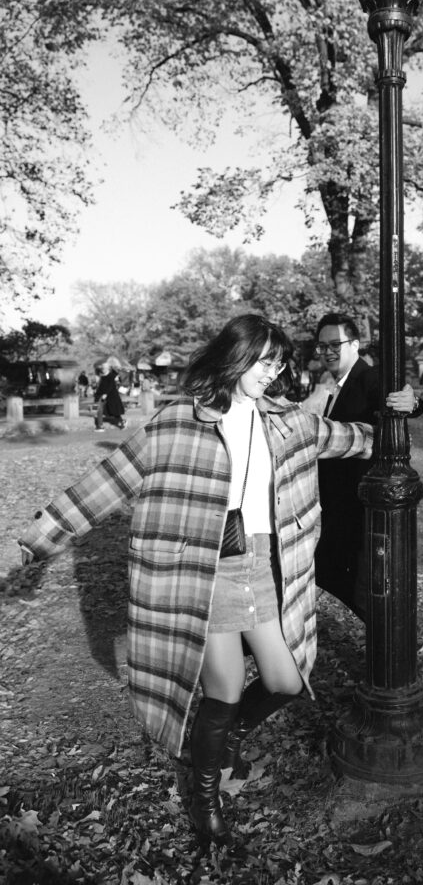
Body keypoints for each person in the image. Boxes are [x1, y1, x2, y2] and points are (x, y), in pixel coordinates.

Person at [17, 314, 377, 848]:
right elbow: (102, 484)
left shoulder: (287, 420)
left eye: (278, 362)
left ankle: (228, 736)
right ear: (236, 357)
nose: (271, 372)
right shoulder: (179, 421)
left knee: (285, 679)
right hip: (206, 572)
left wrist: (397, 416)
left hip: (267, 567)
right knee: (226, 687)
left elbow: (354, 438)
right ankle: (206, 802)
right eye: (262, 360)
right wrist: (29, 546)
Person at [314, 312, 423, 619]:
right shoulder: (331, 383)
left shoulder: (368, 377)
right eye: (322, 347)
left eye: (335, 344)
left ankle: (388, 657)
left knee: (364, 591)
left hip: (359, 503)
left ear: (355, 345)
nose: (327, 352)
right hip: (334, 504)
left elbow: (395, 396)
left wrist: (412, 403)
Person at [93, 363, 127, 431]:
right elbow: (101, 387)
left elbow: (110, 386)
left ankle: (121, 422)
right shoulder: (102, 376)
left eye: (104, 368)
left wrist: (105, 394)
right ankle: (100, 426)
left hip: (110, 396)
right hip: (102, 395)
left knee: (113, 411)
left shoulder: (111, 376)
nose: (103, 369)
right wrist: (97, 394)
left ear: (108, 368)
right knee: (101, 410)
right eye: (102, 368)